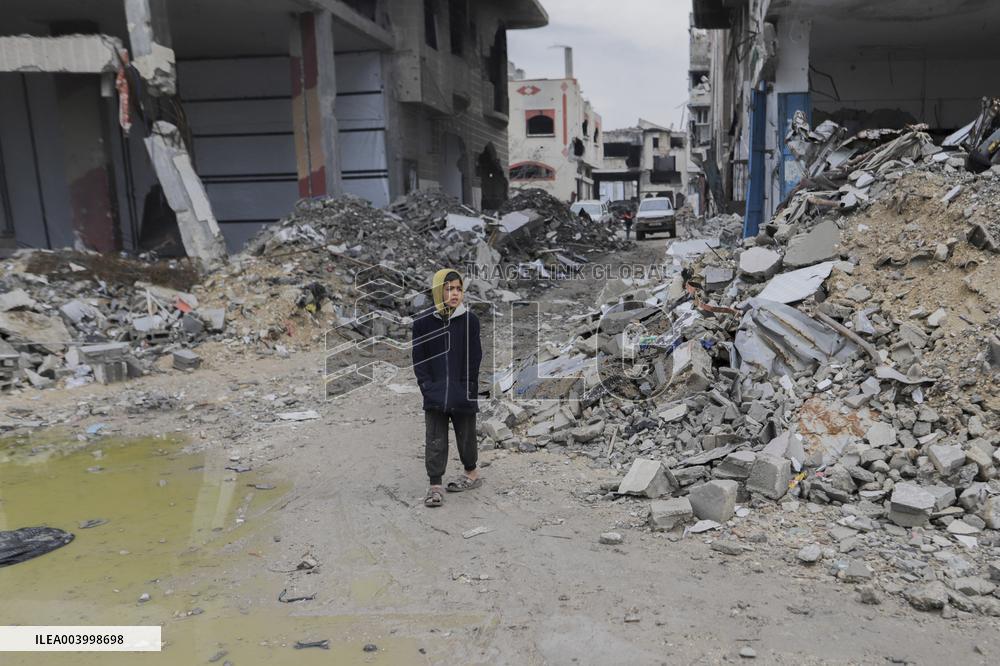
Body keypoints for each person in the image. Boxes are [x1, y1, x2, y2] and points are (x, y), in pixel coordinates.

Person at [411, 269, 483, 508]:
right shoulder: (423, 323)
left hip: (462, 389)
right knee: (435, 438)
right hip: (435, 392)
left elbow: (475, 358)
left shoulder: (469, 320)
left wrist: (469, 386)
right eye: (449, 288)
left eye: (459, 289)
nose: (455, 294)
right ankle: (435, 485)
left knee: (466, 435)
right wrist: (427, 387)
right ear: (438, 291)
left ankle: (471, 473)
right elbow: (419, 358)